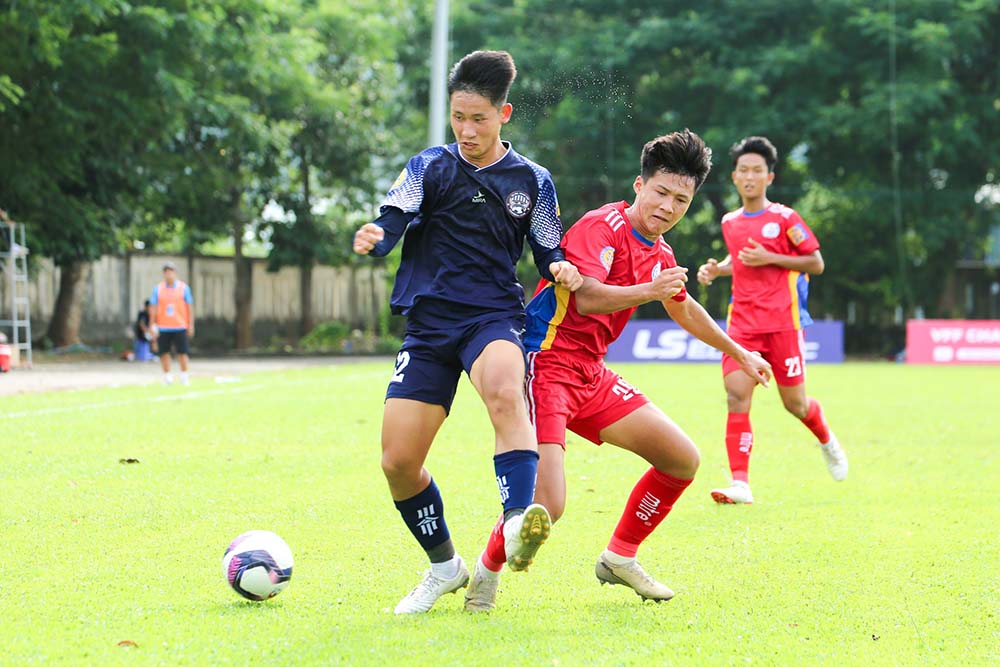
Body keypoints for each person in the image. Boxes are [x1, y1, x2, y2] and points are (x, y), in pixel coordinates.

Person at [463, 130, 773, 612]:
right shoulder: (601, 226)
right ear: (639, 185)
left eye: (681, 200)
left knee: (681, 459)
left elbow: (684, 308)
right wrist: (651, 290)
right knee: (549, 505)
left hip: (591, 374)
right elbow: (586, 296)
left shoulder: (661, 253)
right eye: (661, 193)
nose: (669, 207)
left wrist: (741, 352)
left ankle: (619, 557)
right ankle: (485, 573)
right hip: (544, 364)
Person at [352, 50, 583, 614]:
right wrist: (375, 237)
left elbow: (549, 245)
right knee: (397, 462)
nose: (467, 129)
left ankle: (515, 522)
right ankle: (444, 567)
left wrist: (559, 266)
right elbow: (395, 217)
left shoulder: (533, 179)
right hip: (429, 323)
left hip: (492, 316)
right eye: (458, 117)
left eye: (479, 118)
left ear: (503, 113)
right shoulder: (429, 165)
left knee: (506, 390)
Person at [696, 136, 848, 505]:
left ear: (770, 177)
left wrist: (772, 258)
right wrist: (720, 271)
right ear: (734, 177)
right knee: (736, 395)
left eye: (757, 171)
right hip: (742, 325)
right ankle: (740, 483)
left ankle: (826, 439)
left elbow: (816, 262)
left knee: (795, 405)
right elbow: (744, 261)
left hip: (783, 323)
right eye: (743, 170)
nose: (750, 176)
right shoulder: (730, 222)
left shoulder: (785, 219)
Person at [149, 261, 194, 385]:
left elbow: (189, 307)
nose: (169, 275)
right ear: (164, 274)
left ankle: (184, 376)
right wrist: (152, 325)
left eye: (171, 272)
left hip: (180, 325)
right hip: (163, 326)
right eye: (167, 272)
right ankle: (167, 376)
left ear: (175, 273)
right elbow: (153, 308)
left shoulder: (183, 288)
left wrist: (190, 324)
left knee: (182, 352)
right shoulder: (158, 289)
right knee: (164, 352)